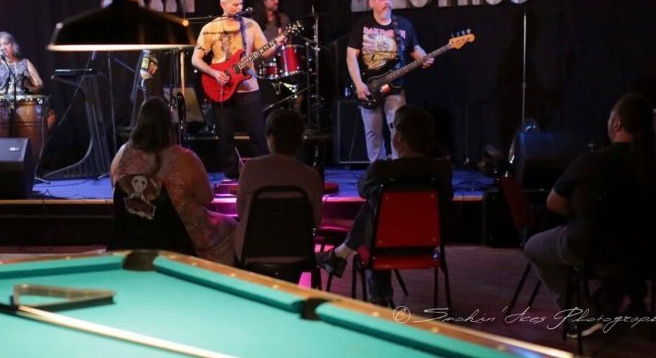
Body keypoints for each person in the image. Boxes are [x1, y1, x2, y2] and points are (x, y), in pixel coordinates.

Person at [523, 93, 656, 338]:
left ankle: (584, 317)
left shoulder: (591, 161)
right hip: (644, 255)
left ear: (616, 123)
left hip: (591, 250)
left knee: (534, 246)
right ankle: (611, 306)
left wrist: (579, 212)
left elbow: (553, 203)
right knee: (622, 249)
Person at [316, 105, 452, 305]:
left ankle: (374, 292)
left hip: (384, 247)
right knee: (377, 207)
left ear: (398, 139)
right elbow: (446, 199)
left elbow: (363, 189)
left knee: (375, 208)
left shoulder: (382, 170)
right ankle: (342, 254)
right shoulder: (441, 169)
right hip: (427, 244)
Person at [110, 97, 237, 265]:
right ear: (168, 124)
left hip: (137, 233)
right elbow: (206, 198)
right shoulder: (185, 158)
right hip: (180, 237)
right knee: (231, 225)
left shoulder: (122, 153)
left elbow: (116, 188)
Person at [192, 0, 279, 178]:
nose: (241, 6)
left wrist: (276, 46)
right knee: (225, 137)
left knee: (258, 135)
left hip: (249, 89)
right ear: (223, 4)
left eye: (241, 2)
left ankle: (264, 175)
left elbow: (264, 54)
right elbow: (195, 59)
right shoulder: (211, 28)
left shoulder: (251, 25)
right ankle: (231, 176)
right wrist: (214, 74)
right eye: (235, 4)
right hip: (221, 88)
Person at [346, 0, 432, 161]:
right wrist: (358, 84)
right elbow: (351, 56)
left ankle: (398, 169)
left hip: (396, 88)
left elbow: (415, 49)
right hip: (370, 87)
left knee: (398, 131)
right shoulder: (363, 25)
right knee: (373, 133)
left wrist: (425, 57)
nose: (387, 3)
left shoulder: (403, 25)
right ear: (372, 3)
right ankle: (377, 171)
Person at [235, 110, 324, 261]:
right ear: (299, 139)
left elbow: (241, 212)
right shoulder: (312, 176)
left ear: (271, 138)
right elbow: (315, 220)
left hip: (252, 252)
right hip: (298, 253)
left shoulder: (250, 168)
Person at [0, 31, 43, 95]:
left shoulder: (25, 63)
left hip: (23, 102)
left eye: (6, 43)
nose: (3, 48)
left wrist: (29, 88)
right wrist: (3, 92)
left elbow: (39, 84)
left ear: (13, 45)